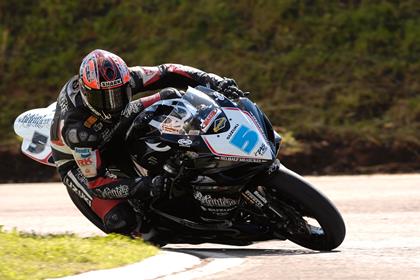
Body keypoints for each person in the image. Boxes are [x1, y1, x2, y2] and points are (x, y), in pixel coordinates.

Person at [50, 49, 244, 235]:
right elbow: (99, 184)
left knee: (171, 95)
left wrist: (213, 80)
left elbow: (167, 71)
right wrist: (149, 184)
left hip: (112, 126)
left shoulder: (127, 79)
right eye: (104, 98)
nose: (113, 104)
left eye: (118, 94)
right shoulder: (77, 131)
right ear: (86, 93)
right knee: (122, 221)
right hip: (76, 159)